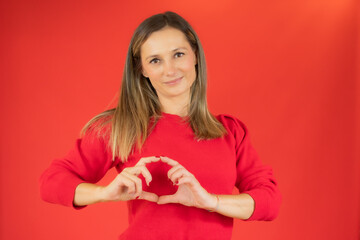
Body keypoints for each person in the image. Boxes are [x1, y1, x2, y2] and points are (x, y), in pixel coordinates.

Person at [40, 11, 281, 239]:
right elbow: (51, 182)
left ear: (195, 55)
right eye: (155, 60)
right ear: (142, 69)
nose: (170, 70)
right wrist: (104, 193)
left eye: (178, 54)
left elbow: (269, 201)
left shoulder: (230, 132)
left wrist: (210, 201)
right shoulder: (121, 127)